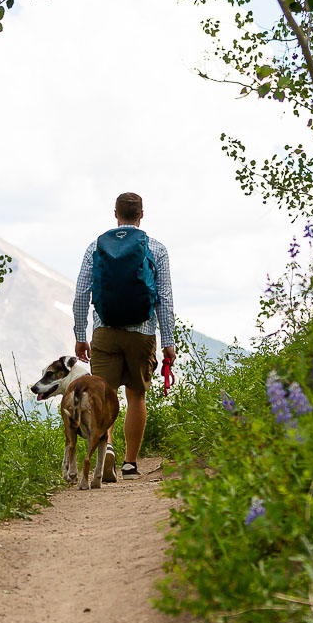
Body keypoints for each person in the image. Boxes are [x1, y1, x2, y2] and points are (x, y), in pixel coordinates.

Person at [72, 191, 175, 478]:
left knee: (105, 396)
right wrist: (168, 341)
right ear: (141, 214)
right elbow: (164, 298)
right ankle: (129, 463)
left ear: (115, 214)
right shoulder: (156, 248)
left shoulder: (97, 246)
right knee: (137, 396)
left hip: (105, 331)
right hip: (141, 333)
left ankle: (107, 449)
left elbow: (82, 294)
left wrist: (81, 334)